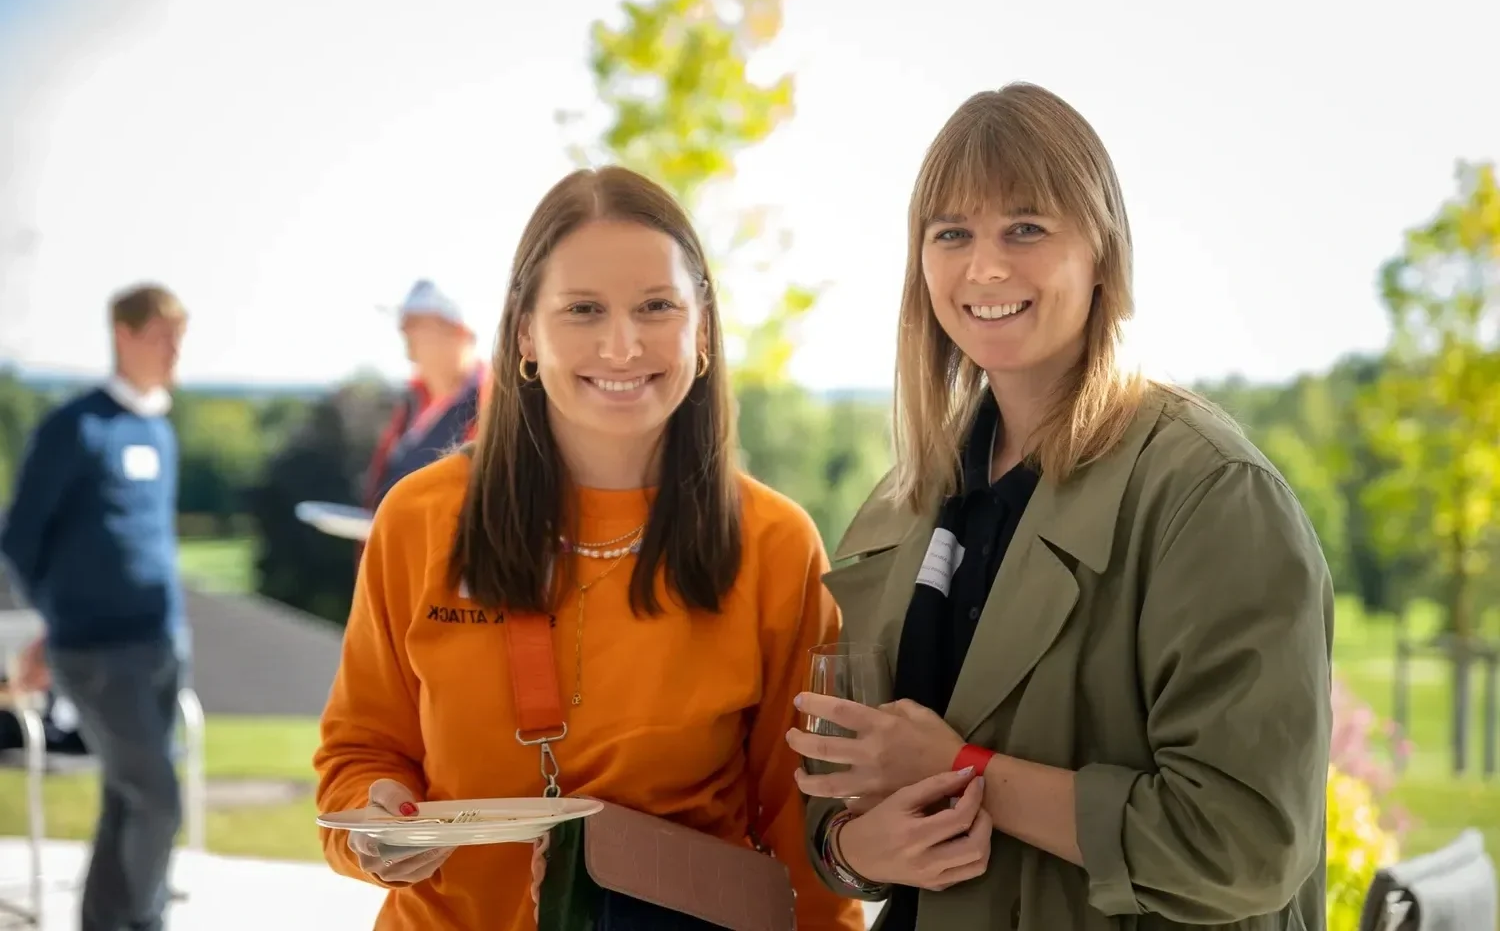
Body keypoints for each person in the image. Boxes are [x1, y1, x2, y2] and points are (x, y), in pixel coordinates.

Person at [787, 83, 1334, 930]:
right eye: (952, 234)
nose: (987, 267)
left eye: (1027, 228)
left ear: (1103, 253)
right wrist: (859, 850)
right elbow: (842, 810)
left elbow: (1246, 845)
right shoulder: (910, 501)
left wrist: (969, 771)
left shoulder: (1211, 495)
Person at [314, 166, 866, 931]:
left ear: (702, 333)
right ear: (524, 336)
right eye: (582, 310)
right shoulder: (420, 519)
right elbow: (357, 759)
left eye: (655, 308)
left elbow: (805, 843)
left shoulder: (774, 545)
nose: (621, 343)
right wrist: (372, 821)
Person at [0, 283, 191, 931]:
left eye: (179, 338)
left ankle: (105, 923)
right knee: (158, 799)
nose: (174, 351)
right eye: (162, 337)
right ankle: (145, 922)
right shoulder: (75, 428)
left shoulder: (157, 429)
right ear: (124, 335)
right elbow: (20, 542)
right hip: (97, 651)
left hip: (162, 642)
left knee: (127, 798)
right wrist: (58, 625)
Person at [366, 278, 487, 510]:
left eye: (415, 321)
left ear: (458, 331)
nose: (402, 329)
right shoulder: (412, 403)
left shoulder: (497, 404)